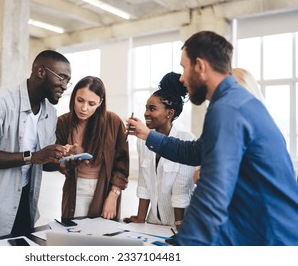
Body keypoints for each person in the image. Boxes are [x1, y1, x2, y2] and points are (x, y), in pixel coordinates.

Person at [126, 30, 298, 245]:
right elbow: (195, 152)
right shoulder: (235, 101)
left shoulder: (227, 109)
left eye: (183, 67)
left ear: (200, 66)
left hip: (270, 237)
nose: (181, 78)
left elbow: (212, 190)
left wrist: (184, 244)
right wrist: (149, 135)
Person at [0, 50, 72, 242]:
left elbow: (42, 160)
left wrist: (61, 163)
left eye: (67, 81)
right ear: (40, 72)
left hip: (25, 201)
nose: (64, 86)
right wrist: (32, 156)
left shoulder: (50, 113)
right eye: (61, 78)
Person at [49, 76, 129, 220]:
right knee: (75, 237)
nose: (84, 108)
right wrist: (63, 156)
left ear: (100, 103)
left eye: (91, 103)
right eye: (80, 100)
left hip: (104, 189)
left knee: (103, 238)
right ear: (73, 97)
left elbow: (122, 164)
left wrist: (114, 194)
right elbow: (53, 161)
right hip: (75, 188)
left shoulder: (113, 122)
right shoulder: (63, 122)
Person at [124, 72, 196, 228]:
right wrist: (140, 217)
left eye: (152, 108)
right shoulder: (143, 141)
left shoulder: (186, 139)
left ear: (169, 113)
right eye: (146, 108)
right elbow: (144, 182)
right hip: (153, 221)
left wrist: (179, 224)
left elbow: (181, 189)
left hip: (180, 222)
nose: (146, 113)